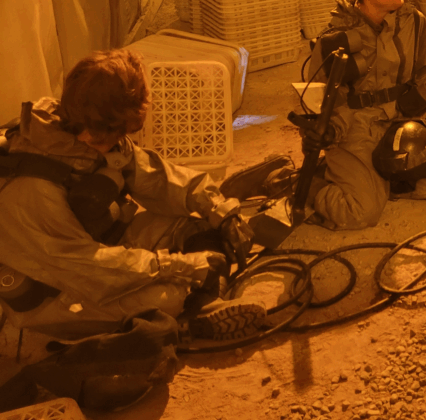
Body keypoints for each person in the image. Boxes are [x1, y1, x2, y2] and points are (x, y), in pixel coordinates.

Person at [0, 50, 263, 341]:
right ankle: (187, 322)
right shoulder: (32, 188)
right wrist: (179, 266)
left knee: (195, 229)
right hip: (58, 286)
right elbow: (86, 268)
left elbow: (159, 178)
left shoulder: (87, 131)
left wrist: (221, 211)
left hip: (100, 247)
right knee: (169, 296)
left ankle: (202, 304)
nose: (114, 140)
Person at [299, 0, 426, 230]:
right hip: (355, 127)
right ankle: (303, 181)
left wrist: (419, 114)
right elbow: (322, 100)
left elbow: (423, 73)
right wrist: (331, 132)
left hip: (398, 119)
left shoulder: (413, 21)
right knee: (361, 212)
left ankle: (372, 177)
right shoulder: (335, 40)